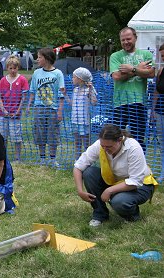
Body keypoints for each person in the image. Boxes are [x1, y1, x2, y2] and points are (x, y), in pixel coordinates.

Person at [73, 124, 157, 227]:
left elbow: (136, 181)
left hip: (141, 185)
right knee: (89, 173)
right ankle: (100, 215)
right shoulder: (101, 144)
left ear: (120, 140)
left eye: (109, 147)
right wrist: (80, 191)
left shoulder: (133, 147)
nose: (104, 149)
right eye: (103, 146)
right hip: (115, 181)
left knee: (118, 201)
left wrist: (109, 190)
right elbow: (78, 167)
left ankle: (133, 216)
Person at [110, 27, 155, 151]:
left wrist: (131, 69)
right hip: (120, 102)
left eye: (128, 39)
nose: (126, 42)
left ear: (135, 37)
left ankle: (138, 167)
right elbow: (117, 76)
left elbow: (151, 73)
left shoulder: (146, 54)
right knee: (116, 137)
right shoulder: (115, 56)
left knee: (138, 138)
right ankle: (118, 167)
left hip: (139, 102)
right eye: (123, 40)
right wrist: (138, 69)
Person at [27, 48, 65, 167]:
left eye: (39, 57)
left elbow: (61, 93)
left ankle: (53, 159)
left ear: (47, 58)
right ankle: (42, 158)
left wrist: (59, 110)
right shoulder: (36, 73)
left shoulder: (58, 73)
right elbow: (32, 91)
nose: (37, 59)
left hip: (52, 109)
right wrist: (29, 105)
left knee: (52, 134)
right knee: (39, 133)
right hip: (39, 108)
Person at [0, 55, 29, 162]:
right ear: (7, 68)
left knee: (16, 137)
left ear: (18, 67)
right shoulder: (2, 80)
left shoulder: (22, 79)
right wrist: (3, 110)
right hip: (3, 114)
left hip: (16, 114)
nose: (13, 70)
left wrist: (18, 111)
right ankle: (3, 157)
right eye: (10, 68)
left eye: (14, 68)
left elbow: (23, 98)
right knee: (3, 137)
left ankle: (17, 157)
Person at [71, 67, 97, 161]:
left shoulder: (89, 89)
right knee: (77, 142)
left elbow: (94, 102)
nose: (72, 79)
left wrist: (90, 90)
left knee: (86, 143)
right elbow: (72, 104)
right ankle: (77, 161)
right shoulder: (75, 90)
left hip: (84, 121)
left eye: (74, 77)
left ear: (80, 79)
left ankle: (88, 160)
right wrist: (65, 94)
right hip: (75, 120)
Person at [151, 43, 164, 183]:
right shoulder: (160, 71)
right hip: (160, 111)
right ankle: (163, 173)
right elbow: (156, 91)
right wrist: (153, 110)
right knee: (162, 144)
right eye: (162, 56)